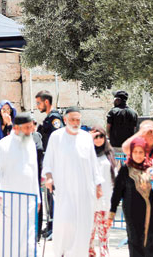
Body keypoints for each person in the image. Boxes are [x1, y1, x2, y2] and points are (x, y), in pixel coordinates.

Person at [42, 107, 104, 257]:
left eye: (78, 120)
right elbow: (48, 161)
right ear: (65, 120)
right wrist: (49, 177)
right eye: (72, 120)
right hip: (65, 190)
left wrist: (98, 185)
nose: (76, 123)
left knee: (83, 228)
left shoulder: (86, 137)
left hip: (85, 191)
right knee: (64, 226)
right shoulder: (56, 137)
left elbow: (93, 163)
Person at [109, 137, 153, 257]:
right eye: (135, 152)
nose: (138, 155)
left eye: (141, 152)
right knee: (137, 244)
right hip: (133, 215)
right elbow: (117, 192)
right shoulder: (126, 169)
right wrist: (112, 213)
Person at [0, 112, 39, 257]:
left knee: (28, 238)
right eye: (27, 128)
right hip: (8, 199)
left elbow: (34, 172)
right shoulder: (3, 145)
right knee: (8, 236)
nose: (30, 131)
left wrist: (38, 197)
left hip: (29, 200)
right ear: (16, 128)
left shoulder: (30, 143)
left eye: (31, 127)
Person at [35, 90, 63, 238]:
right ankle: (51, 224)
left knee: (53, 196)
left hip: (55, 162)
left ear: (46, 102)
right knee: (49, 196)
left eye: (39, 103)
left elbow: (58, 139)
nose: (37, 106)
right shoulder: (48, 118)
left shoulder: (54, 118)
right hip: (49, 161)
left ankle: (55, 225)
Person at [90, 126, 118, 257]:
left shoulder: (109, 154)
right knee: (88, 235)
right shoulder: (87, 154)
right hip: (90, 201)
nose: (99, 139)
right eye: (96, 136)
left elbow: (114, 175)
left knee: (104, 236)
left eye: (101, 136)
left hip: (106, 199)